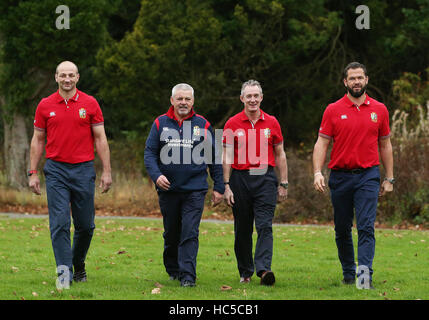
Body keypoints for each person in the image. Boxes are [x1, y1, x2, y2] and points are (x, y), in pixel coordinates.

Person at [29, 61, 112, 288]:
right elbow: (37, 140)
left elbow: (100, 138)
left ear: (77, 77)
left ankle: (78, 264)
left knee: (86, 225)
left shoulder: (90, 103)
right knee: (60, 223)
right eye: (63, 75)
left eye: (71, 75)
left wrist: (106, 171)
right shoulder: (45, 105)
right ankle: (64, 274)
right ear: (56, 77)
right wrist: (32, 172)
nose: (67, 79)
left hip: (84, 169)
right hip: (56, 170)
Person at [312, 62, 394, 289]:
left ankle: (364, 277)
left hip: (368, 175)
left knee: (366, 226)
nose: (356, 82)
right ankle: (349, 272)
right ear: (345, 82)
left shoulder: (380, 110)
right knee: (342, 228)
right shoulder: (333, 110)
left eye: (360, 77)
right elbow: (322, 143)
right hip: (340, 176)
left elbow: (385, 144)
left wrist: (389, 178)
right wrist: (317, 172)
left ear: (366, 79)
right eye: (352, 78)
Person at [144, 83, 224, 287]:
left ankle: (188, 277)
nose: (183, 102)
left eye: (187, 99)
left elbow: (214, 158)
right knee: (171, 233)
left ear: (193, 101)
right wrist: (156, 175)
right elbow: (150, 153)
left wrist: (219, 186)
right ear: (172, 100)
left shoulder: (203, 125)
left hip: (195, 190)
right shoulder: (160, 123)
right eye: (179, 98)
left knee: (190, 232)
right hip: (168, 189)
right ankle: (173, 268)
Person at [222, 80, 288, 286]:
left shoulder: (272, 122)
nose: (252, 100)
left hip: (265, 178)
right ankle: (245, 271)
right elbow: (226, 156)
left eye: (256, 96)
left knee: (264, 226)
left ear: (261, 98)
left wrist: (284, 182)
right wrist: (226, 185)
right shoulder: (232, 123)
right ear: (242, 98)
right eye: (248, 96)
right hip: (240, 179)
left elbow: (280, 153)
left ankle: (263, 270)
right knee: (242, 229)